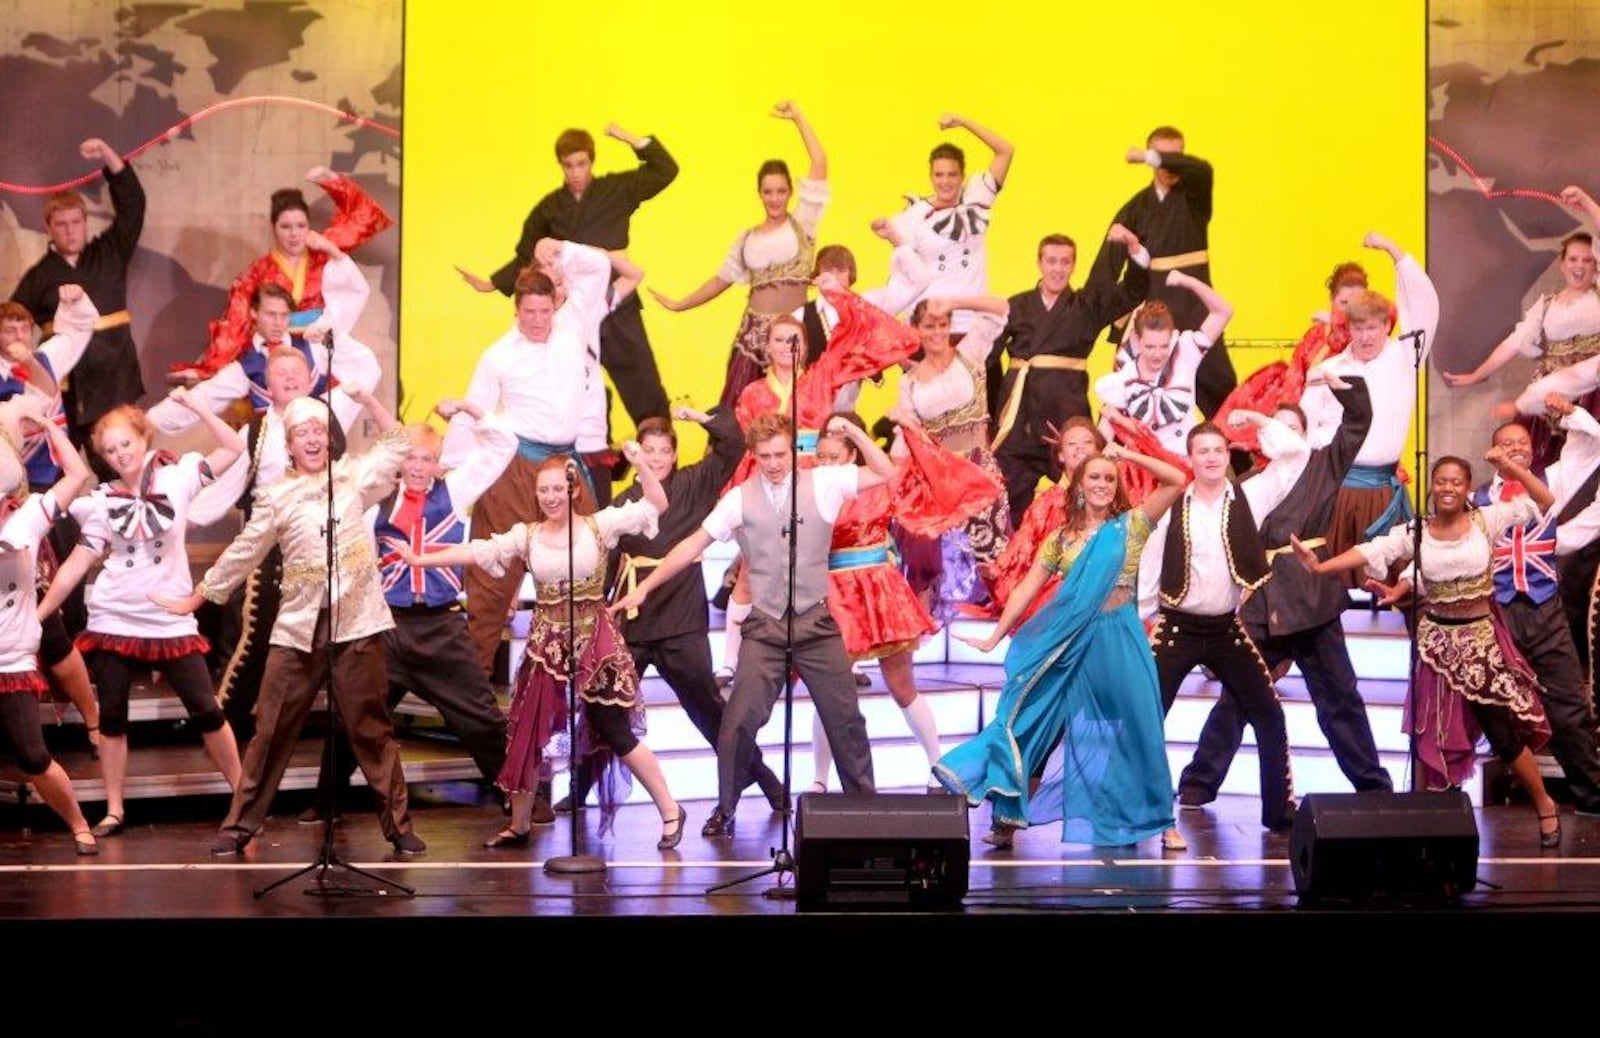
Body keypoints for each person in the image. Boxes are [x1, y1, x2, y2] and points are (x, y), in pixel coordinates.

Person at [158, 389, 426, 856]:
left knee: (370, 726)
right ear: (289, 445)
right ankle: (241, 824)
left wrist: (370, 401)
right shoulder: (276, 496)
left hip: (356, 620)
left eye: (319, 431)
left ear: (330, 440)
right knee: (272, 726)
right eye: (303, 433)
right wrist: (197, 598)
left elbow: (396, 444)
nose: (312, 439)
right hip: (298, 626)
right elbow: (244, 550)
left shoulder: (351, 478)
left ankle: (398, 824)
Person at [389, 442, 687, 850]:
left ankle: (671, 810)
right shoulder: (526, 536)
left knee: (615, 730)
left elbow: (657, 501)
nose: (549, 497)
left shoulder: (601, 525)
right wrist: (420, 560)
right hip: (547, 645)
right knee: (527, 732)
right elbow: (477, 551)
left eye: (556, 489)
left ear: (572, 491)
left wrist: (639, 464)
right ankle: (521, 823)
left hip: (594, 643)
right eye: (542, 490)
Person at [612, 414, 886, 837]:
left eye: (780, 454)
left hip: (815, 622)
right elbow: (691, 545)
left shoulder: (826, 482)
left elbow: (886, 471)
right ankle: (726, 807)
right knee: (738, 720)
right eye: (765, 457)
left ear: (792, 451)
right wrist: (646, 586)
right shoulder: (740, 498)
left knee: (845, 718)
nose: (773, 464)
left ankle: (865, 807)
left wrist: (853, 432)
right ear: (755, 457)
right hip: (767, 625)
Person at [1292, 453, 1563, 848]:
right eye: (1441, 481)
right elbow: (1372, 550)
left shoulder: (1488, 519)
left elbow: (1544, 499)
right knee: (1429, 735)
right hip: (1436, 644)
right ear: (1431, 487)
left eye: (1456, 482)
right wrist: (1321, 567)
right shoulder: (1416, 532)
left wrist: (1510, 466)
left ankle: (1544, 803)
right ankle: (1425, 820)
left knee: (1502, 734)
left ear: (1468, 488)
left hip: (1480, 642)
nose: (1447, 488)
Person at [937, 442, 1187, 850]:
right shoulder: (1060, 539)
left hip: (1120, 640)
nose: (1103, 484)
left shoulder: (1133, 525)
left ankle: (1162, 821)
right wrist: (995, 636)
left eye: (1110, 478)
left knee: (1142, 727)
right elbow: (1025, 589)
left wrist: (1129, 455)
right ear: (1078, 485)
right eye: (1095, 477)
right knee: (1036, 728)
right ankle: (1008, 817)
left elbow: (1176, 479)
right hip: (1070, 643)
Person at [1174, 376, 1395, 806]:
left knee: (1339, 697)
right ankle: (1198, 783)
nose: (1282, 436)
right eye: (1275, 427)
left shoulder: (1322, 465)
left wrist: (1341, 386)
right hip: (1262, 600)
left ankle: (1373, 786)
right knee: (1238, 696)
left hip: (1311, 597)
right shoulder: (1249, 483)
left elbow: (1358, 421)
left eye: (1291, 428)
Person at [37, 392, 246, 839]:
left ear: (142, 437)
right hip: (115, 617)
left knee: (207, 709)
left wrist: (198, 406)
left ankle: (244, 797)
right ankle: (114, 809)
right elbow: (76, 565)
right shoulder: (101, 502)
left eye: (125, 445)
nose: (119, 456)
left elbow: (233, 448)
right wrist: (38, 612)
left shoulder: (178, 476)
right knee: (111, 716)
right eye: (109, 451)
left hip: (169, 617)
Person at [306, 399, 517, 819]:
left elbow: (503, 445)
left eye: (429, 460)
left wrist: (473, 410)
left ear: (439, 465)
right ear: (400, 462)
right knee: (354, 715)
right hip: (390, 627)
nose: (420, 467)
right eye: (412, 459)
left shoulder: (455, 493)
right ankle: (325, 803)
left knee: (482, 717)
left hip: (442, 627)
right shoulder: (377, 506)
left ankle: (517, 795)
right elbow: (357, 565)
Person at [587, 406, 786, 813]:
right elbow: (607, 563)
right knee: (605, 705)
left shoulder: (696, 483)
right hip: (635, 622)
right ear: (635, 454)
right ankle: (578, 788)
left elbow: (731, 441)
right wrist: (602, 611)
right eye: (648, 450)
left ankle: (767, 782)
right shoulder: (625, 503)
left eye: (664, 451)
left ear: (675, 455)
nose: (656, 458)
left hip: (682, 621)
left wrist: (698, 416)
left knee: (709, 710)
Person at [445, 244, 614, 692]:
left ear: (554, 306)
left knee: (588, 568)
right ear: (517, 311)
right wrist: (456, 483)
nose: (538, 319)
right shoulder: (499, 354)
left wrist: (562, 252)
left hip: (567, 463)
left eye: (544, 309)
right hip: (516, 465)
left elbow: (599, 266)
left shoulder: (574, 325)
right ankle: (472, 694)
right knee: (491, 580)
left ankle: (591, 683)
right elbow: (473, 414)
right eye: (529, 311)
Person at [809, 411, 1003, 792]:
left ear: (852, 454)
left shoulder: (879, 481)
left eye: (835, 456)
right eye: (822, 456)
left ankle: (937, 764)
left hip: (880, 591)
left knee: (901, 685)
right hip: (835, 593)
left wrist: (869, 430)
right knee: (829, 692)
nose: (826, 464)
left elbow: (922, 473)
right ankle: (819, 778)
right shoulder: (812, 488)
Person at [458, 123, 675, 425]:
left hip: (615, 300)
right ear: (560, 164)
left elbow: (665, 170)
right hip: (569, 310)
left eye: (582, 164)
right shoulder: (550, 208)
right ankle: (592, 459)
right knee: (571, 387)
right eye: (568, 165)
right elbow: (527, 252)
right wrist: (492, 282)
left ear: (591, 161)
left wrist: (627, 137)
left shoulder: (617, 190)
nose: (575, 172)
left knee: (644, 389)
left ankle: (661, 463)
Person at [1145, 422, 1301, 832]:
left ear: (1229, 456)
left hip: (1226, 629)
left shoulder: (1250, 495)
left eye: (1218, 450)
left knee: (1268, 713)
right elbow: (1150, 565)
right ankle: (1137, 808)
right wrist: (1137, 615)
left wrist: (1255, 416)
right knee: (1145, 715)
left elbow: (1294, 454)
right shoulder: (1174, 507)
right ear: (1190, 458)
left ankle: (1280, 812)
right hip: (1177, 628)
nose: (1211, 457)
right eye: (1203, 451)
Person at [650, 101, 828, 409]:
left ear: (790, 193)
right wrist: (680, 304)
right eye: (768, 191)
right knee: (740, 411)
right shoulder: (747, 238)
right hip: (752, 337)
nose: (774, 198)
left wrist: (799, 118)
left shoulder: (803, 223)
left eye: (781, 191)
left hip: (795, 332)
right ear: (759, 193)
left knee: (801, 410)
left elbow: (820, 163)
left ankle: (804, 459)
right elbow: (721, 280)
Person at [1465, 411, 1600, 813]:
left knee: (1568, 705)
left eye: (1523, 443)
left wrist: (1572, 412)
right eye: (1508, 443)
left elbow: (1592, 443)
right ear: (1492, 450)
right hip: (1500, 613)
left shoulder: (1552, 482)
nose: (1517, 448)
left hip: (1544, 610)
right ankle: (1518, 789)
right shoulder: (1477, 500)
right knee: (1497, 708)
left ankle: (1592, 794)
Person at [1300, 232, 1439, 583]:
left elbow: (1424, 306)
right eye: (1358, 328)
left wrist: (1394, 251)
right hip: (1336, 489)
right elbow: (1305, 430)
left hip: (1380, 490)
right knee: (1329, 583)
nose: (1365, 337)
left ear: (1386, 326)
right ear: (1348, 329)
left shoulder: (1403, 356)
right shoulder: (1331, 369)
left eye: (1373, 328)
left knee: (1388, 582)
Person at [990, 226, 1149, 520]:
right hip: (1018, 421)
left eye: (1065, 262)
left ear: (1073, 265)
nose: (1058, 269)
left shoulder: (1087, 306)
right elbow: (989, 358)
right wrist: (993, 413)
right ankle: (1009, 563)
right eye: (1051, 261)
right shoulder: (1016, 305)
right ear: (1040, 263)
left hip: (1066, 419)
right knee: (1006, 505)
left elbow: (1133, 291)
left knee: (1077, 499)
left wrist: (1136, 251)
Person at [0, 289, 101, 753]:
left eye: (23, 327)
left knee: (52, 628)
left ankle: (92, 719)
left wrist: (30, 359)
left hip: (25, 514)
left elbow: (46, 393)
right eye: (9, 328)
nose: (17, 335)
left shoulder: (18, 395)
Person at [175, 167, 391, 379]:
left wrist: (332, 181)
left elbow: (365, 216)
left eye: (300, 226)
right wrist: (208, 369)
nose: (294, 234)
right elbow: (234, 323)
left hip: (321, 350)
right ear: (273, 227)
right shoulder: (257, 273)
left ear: (308, 226)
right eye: (285, 226)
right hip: (276, 356)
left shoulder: (322, 252)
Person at [0, 394, 99, 854]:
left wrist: (48, 424)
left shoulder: (24, 520)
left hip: (10, 660)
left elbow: (77, 476)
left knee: (33, 755)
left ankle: (78, 822)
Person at [1443, 186, 1600, 464]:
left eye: (1588, 260)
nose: (1580, 266)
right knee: (1546, 461)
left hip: (1593, 390)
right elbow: (1513, 343)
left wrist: (1586, 202)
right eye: (1573, 259)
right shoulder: (1547, 304)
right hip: (1548, 396)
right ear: (1562, 265)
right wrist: (1475, 376)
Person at [1087, 126, 1234, 416]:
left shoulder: (1195, 196)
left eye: (1173, 157)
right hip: (1155, 309)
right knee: (1136, 387)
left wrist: (1149, 156)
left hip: (1196, 309)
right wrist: (1091, 308)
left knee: (1220, 384)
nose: (1167, 164)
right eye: (1161, 156)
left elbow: (1202, 169)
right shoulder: (1137, 208)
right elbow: (1108, 264)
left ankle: (1240, 459)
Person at [10, 138, 144, 449]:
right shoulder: (39, 277)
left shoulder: (110, 253)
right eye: (62, 224)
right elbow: (10, 325)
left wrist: (110, 156)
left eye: (76, 222)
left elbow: (133, 205)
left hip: (115, 379)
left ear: (85, 222)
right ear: (49, 228)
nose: (71, 230)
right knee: (59, 466)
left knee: (120, 460)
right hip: (65, 387)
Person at [894, 292, 1013, 609]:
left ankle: (1003, 628)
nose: (936, 332)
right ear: (917, 330)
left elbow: (1001, 308)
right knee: (941, 556)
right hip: (938, 479)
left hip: (977, 469)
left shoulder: (969, 353)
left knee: (993, 553)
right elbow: (908, 438)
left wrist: (955, 303)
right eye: (929, 325)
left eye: (942, 324)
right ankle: (936, 631)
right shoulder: (909, 382)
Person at [147, 281, 380, 440]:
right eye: (271, 314)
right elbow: (205, 396)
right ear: (254, 313)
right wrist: (149, 420)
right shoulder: (247, 365)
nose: (279, 323)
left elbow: (361, 366)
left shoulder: (311, 345)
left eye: (284, 315)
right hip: (275, 448)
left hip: (319, 442)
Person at [1213, 259, 1374, 459]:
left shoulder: (1370, 343)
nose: (1349, 311)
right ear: (1332, 300)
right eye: (1343, 303)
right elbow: (1294, 383)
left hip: (1353, 432)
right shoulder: (1316, 335)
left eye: (1357, 304)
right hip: (1309, 425)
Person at [890, 113, 1014, 334]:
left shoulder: (977, 197)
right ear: (930, 176)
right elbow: (902, 276)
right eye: (939, 175)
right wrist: (903, 333)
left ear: (962, 176)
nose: (945, 181)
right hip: (929, 328)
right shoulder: (915, 213)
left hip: (972, 328)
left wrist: (964, 122)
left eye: (952, 175)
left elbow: (1005, 150)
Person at [1095, 269, 1232, 457]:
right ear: (1137, 340)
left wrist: (1190, 282)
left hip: (1185, 460)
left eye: (1164, 346)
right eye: (1150, 347)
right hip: (1143, 467)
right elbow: (1108, 424)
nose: (1158, 355)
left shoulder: (1185, 351)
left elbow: (1223, 312)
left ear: (1172, 337)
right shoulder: (1126, 372)